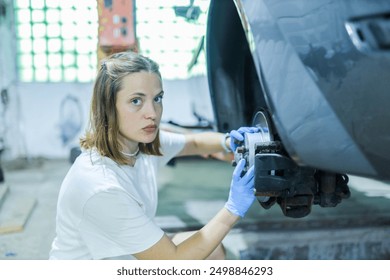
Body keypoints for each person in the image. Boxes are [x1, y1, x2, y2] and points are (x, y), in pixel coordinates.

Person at [49, 51, 259, 260]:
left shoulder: (140, 146)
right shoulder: (101, 186)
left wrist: (228, 141)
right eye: (136, 101)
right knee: (199, 252)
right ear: (108, 108)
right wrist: (233, 209)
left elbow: (193, 142)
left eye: (157, 98)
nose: (152, 112)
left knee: (212, 251)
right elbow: (172, 262)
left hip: (123, 258)